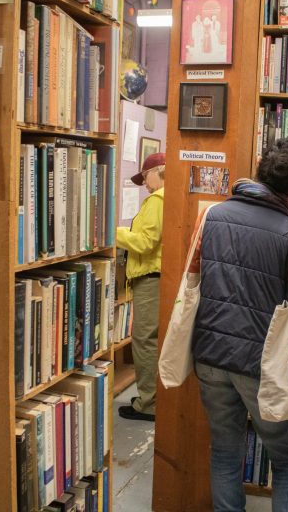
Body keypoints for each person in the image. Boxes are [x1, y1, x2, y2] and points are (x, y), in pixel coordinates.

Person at [185, 138, 288, 511]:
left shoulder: (210, 216)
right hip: (264, 365)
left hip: (211, 357)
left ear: (259, 163)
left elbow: (194, 279)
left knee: (226, 452)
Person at [116, 152, 166, 422]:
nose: (145, 184)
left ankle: (148, 404)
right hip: (156, 277)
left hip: (150, 277)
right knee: (152, 341)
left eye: (145, 177)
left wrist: (111, 232)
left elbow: (145, 242)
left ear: (158, 172)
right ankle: (151, 398)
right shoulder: (166, 198)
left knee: (144, 341)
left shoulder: (157, 200)